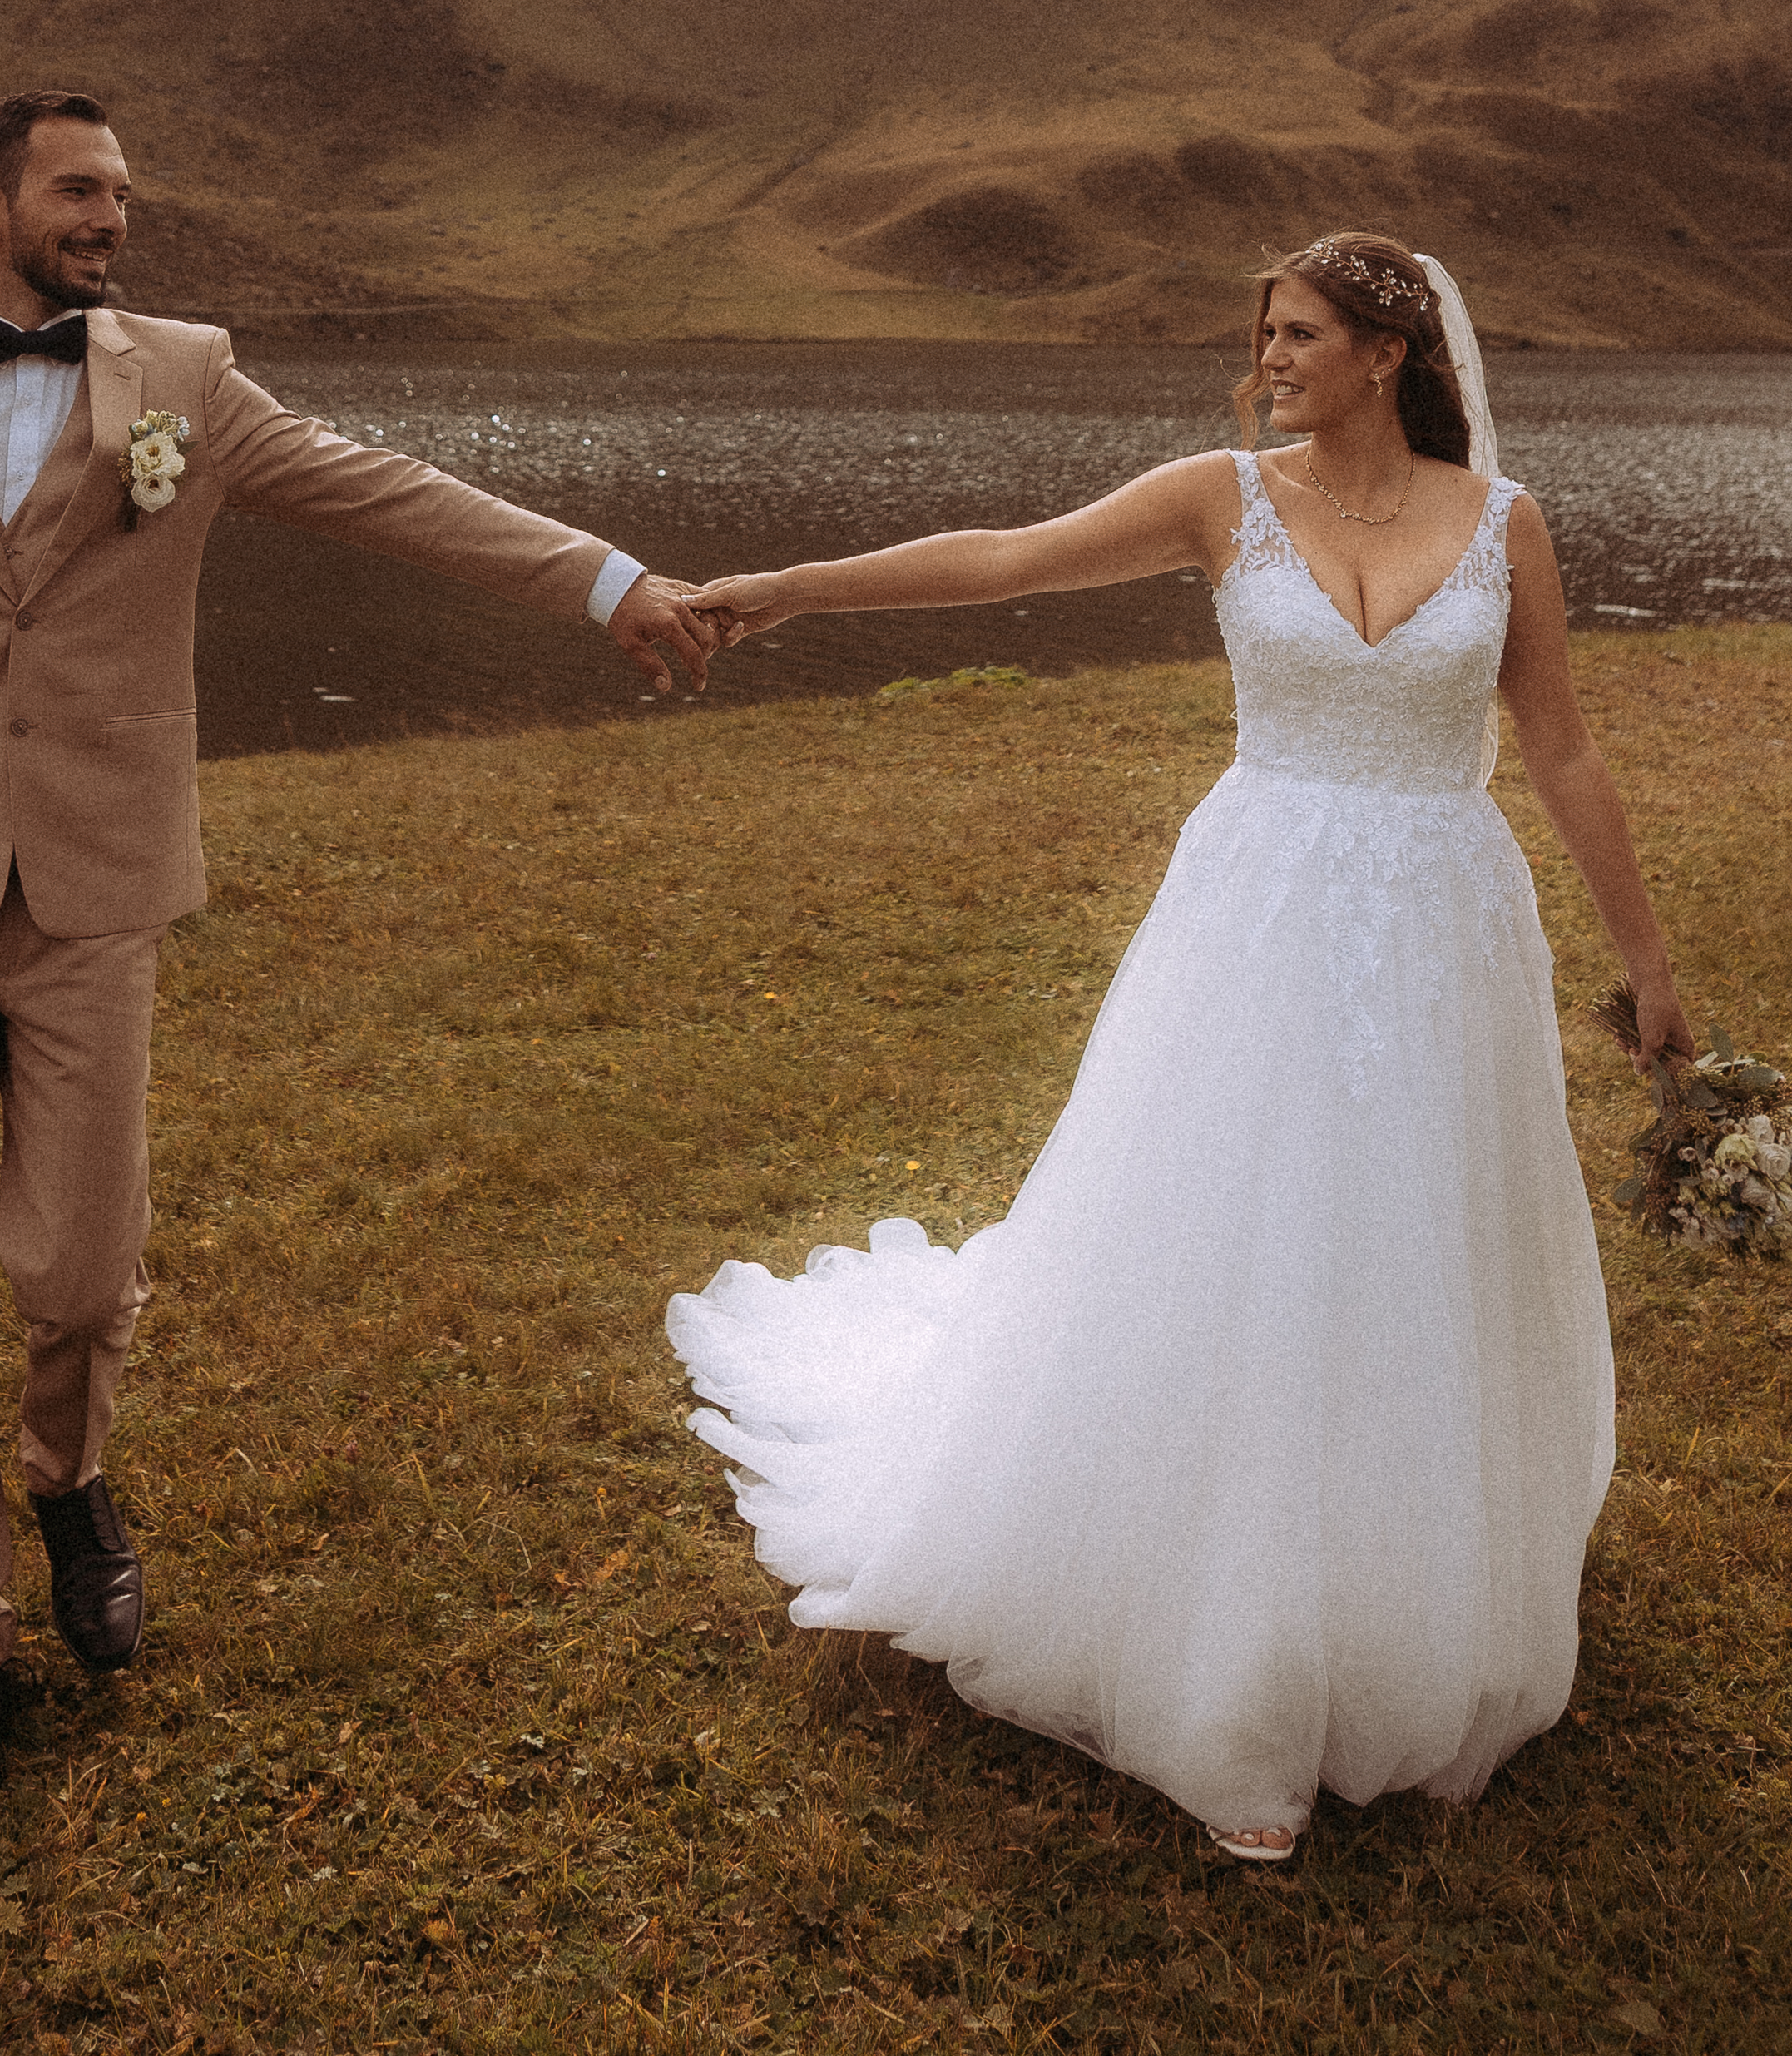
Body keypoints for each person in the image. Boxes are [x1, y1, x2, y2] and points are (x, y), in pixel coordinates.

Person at [0, 89, 720, 1838]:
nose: (113, 218)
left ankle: (69, 1477)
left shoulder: (187, 374)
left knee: (79, 1273)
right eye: (81, 189)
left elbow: (383, 492)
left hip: (94, 882)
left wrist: (602, 574)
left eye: (124, 192)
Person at [666, 231, 1690, 1865]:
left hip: (1441, 922)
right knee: (1247, 1226)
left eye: (1296, 331)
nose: (1267, 354)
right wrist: (786, 590)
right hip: (1258, 911)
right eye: (1263, 331)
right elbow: (1003, 559)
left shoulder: (1504, 523)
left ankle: (1413, 1592)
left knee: (1410, 1241)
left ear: (1383, 348)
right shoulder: (1217, 495)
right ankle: (1231, 1638)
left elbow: (1555, 740)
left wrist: (1645, 961)